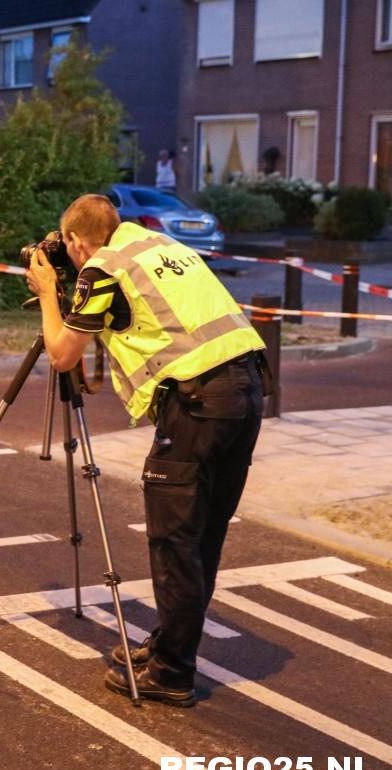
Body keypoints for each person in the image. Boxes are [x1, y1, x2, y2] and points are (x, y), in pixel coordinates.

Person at [26, 194, 267, 707]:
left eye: (65, 247)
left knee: (175, 539)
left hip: (198, 403)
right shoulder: (156, 244)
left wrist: (49, 292)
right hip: (246, 392)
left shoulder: (101, 268)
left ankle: (172, 673)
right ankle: (169, 643)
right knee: (202, 536)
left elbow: (64, 354)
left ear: (74, 240)